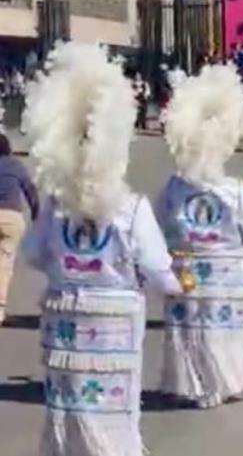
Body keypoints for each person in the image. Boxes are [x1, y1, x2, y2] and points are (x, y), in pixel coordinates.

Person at [20, 42, 186, 456]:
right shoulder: (131, 209)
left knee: (70, 404)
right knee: (111, 409)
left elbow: (34, 254)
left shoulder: (57, 207)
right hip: (114, 323)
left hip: (66, 318)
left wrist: (69, 273)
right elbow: (155, 265)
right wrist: (176, 285)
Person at [156, 64, 243, 409]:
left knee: (192, 331)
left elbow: (160, 222)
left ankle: (199, 384)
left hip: (187, 270)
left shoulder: (174, 186)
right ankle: (228, 380)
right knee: (224, 331)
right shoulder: (232, 190)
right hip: (228, 274)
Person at [0, 132, 38, 325]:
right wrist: (36, 214)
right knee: (4, 265)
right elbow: (30, 190)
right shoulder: (15, 165)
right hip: (11, 218)